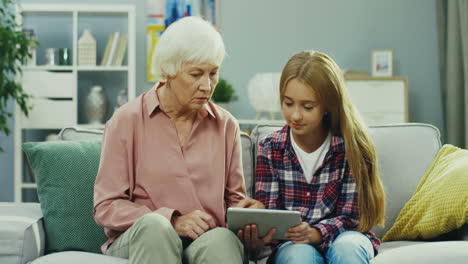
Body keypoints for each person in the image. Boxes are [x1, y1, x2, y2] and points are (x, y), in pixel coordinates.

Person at [93, 16, 261, 264]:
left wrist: (249, 220)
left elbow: (234, 203)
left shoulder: (226, 126)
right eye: (196, 74)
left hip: (203, 240)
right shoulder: (126, 120)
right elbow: (106, 206)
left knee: (222, 241)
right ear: (168, 71)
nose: (207, 85)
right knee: (155, 227)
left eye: (213, 73)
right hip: (141, 238)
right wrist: (172, 220)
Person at [239, 50, 386, 264]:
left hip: (346, 237)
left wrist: (315, 233)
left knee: (347, 249)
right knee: (299, 256)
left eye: (307, 107)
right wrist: (258, 231)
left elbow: (352, 218)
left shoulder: (352, 148)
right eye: (288, 103)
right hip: (293, 246)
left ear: (328, 105)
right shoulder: (270, 148)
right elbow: (272, 218)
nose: (295, 115)